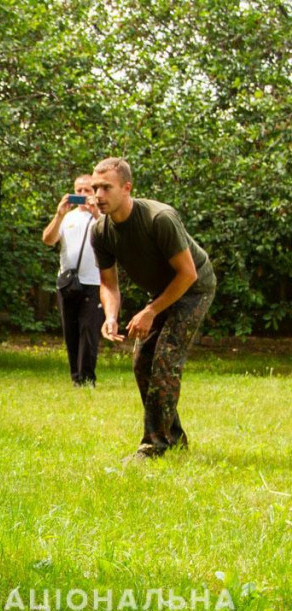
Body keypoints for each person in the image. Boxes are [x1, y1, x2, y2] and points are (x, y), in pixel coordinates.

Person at [90, 157, 216, 461]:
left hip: (194, 287)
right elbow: (108, 284)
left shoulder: (159, 218)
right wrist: (110, 316)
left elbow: (188, 274)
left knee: (165, 358)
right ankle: (173, 439)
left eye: (106, 187)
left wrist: (150, 310)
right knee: (142, 362)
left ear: (127, 188)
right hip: (164, 291)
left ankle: (153, 446)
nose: (98, 195)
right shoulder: (101, 231)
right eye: (95, 188)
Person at [42, 174, 104, 386]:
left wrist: (96, 212)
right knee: (71, 331)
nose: (82, 195)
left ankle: (87, 378)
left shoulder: (102, 217)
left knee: (89, 330)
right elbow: (48, 240)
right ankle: (75, 377)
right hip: (68, 283)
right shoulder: (67, 218)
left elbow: (111, 237)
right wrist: (59, 214)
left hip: (94, 282)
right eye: (78, 191)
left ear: (95, 192)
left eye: (87, 190)